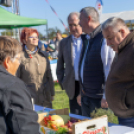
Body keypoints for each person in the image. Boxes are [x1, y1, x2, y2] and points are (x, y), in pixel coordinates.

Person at [79, 7, 115, 117]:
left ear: (88, 19)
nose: (79, 23)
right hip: (86, 96)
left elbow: (110, 68)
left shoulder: (104, 38)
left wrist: (106, 96)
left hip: (99, 100)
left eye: (80, 19)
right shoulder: (89, 38)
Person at [0, 36, 40, 134]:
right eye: (18, 59)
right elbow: (26, 129)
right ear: (7, 61)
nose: (19, 63)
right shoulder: (12, 85)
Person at [102, 17, 134, 128]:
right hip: (126, 115)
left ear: (122, 31)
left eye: (110, 38)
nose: (107, 43)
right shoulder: (123, 47)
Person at [17, 27, 55, 108]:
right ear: (24, 40)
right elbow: (16, 79)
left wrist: (52, 93)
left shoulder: (43, 55)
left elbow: (49, 75)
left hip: (45, 98)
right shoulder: (19, 57)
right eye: (32, 37)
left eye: (36, 37)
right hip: (29, 99)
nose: (35, 39)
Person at [56, 12, 83, 115]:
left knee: (91, 117)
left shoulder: (88, 40)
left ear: (81, 23)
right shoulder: (64, 42)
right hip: (72, 85)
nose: (72, 28)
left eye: (75, 24)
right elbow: (60, 64)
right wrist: (63, 82)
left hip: (87, 85)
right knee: (76, 115)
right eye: (70, 25)